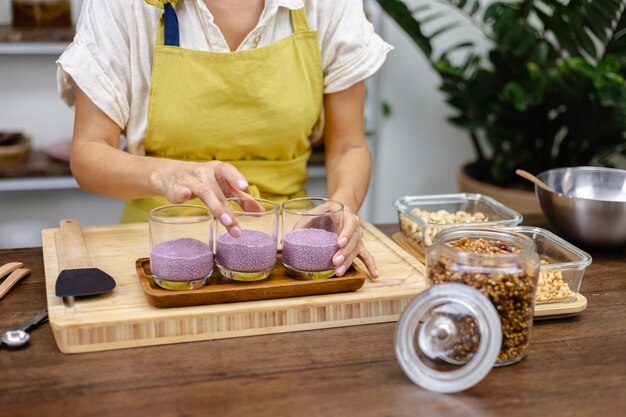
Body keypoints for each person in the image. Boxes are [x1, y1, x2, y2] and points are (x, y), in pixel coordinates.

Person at [57, 0, 392, 278]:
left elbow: (349, 147)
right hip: (161, 248)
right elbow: (88, 153)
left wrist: (340, 209)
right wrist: (166, 174)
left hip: (288, 249)